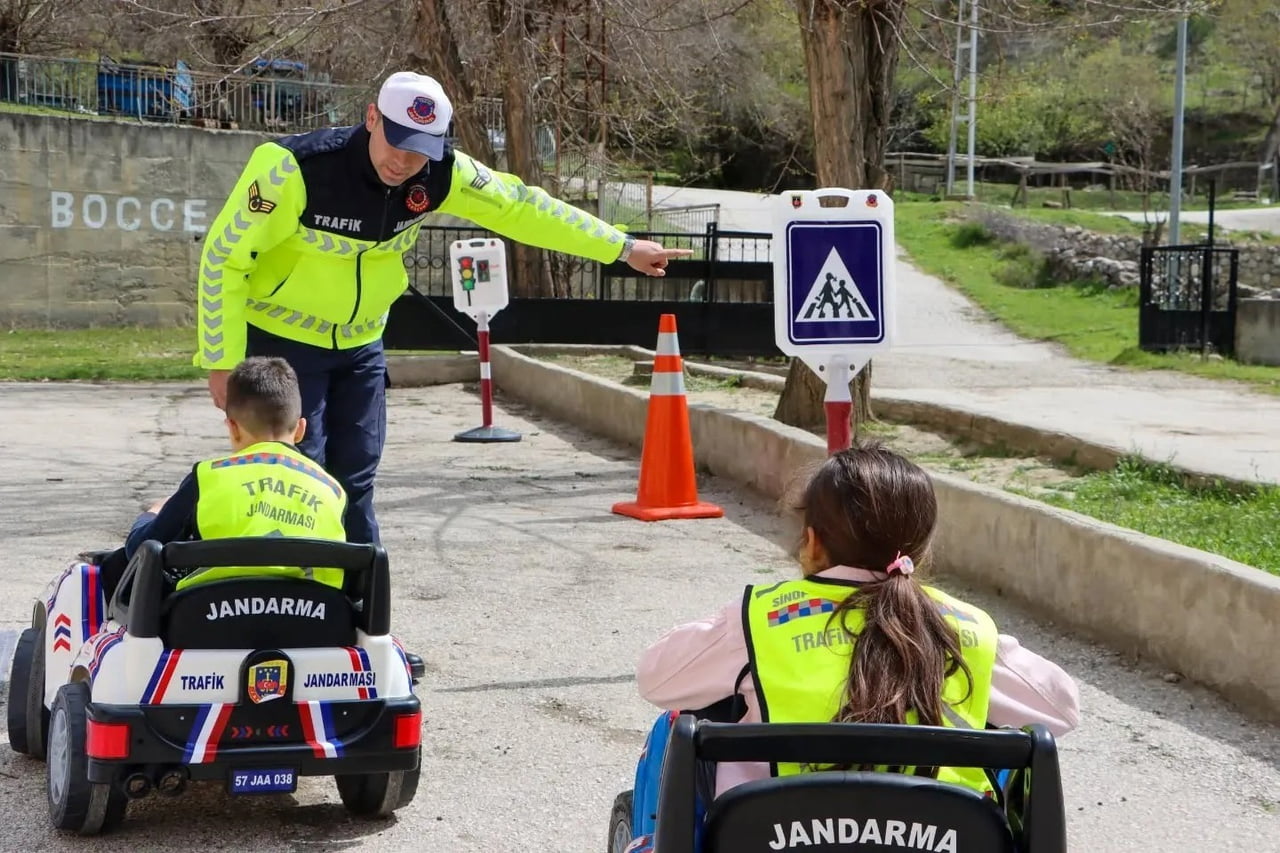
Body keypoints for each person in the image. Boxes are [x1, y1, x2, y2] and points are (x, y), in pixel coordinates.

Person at [193, 70, 692, 547]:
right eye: (396, 141)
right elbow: (224, 260)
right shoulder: (291, 168)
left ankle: (360, 607)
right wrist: (220, 359)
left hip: (361, 347)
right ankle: (285, 601)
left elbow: (522, 207)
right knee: (297, 476)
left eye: (419, 151)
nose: (404, 162)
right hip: (283, 348)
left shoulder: (442, 174)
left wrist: (622, 247)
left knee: (357, 478)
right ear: (371, 118)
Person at [621, 443, 1080, 851]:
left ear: (813, 541)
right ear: (918, 549)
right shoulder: (965, 629)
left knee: (676, 728)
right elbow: (1062, 711)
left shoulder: (762, 617)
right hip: (947, 837)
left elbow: (656, 678)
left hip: (765, 836)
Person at [101, 355, 348, 599]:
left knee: (116, 565)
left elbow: (141, 549)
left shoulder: (208, 477)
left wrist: (152, 514)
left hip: (212, 617)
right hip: (313, 616)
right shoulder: (332, 490)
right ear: (301, 429)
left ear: (232, 427)